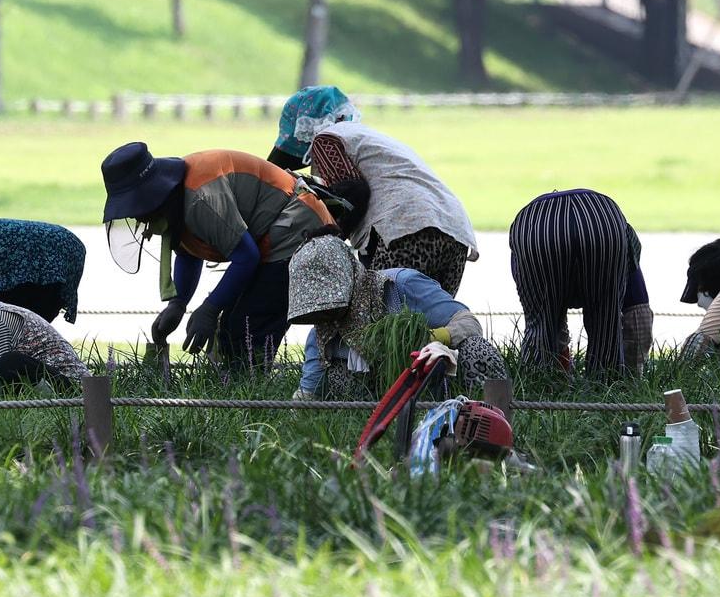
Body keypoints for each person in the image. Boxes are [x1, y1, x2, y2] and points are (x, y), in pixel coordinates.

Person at [101, 143, 334, 365]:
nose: (137, 218)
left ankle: (251, 400)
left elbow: (246, 257)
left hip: (295, 228)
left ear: (152, 196)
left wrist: (210, 309)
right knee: (232, 327)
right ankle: (240, 394)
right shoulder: (174, 202)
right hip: (269, 237)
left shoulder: (200, 198)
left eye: (136, 207)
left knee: (246, 328)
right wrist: (178, 304)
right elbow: (189, 253)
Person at [267, 85, 478, 295]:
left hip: (405, 228)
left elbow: (352, 193)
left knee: (382, 322)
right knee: (433, 320)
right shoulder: (367, 137)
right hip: (455, 231)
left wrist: (328, 240)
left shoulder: (326, 139)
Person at [287, 231, 506, 400]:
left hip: (437, 382)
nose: (326, 315)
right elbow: (309, 394)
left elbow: (469, 323)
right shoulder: (323, 333)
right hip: (380, 403)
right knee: (337, 376)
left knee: (477, 349)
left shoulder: (401, 285)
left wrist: (433, 338)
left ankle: (489, 418)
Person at [509, 189, 652, 375]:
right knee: (606, 322)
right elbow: (638, 312)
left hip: (535, 228)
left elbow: (541, 316)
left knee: (542, 325)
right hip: (602, 219)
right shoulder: (624, 240)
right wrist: (632, 376)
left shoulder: (526, 240)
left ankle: (541, 391)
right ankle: (606, 391)